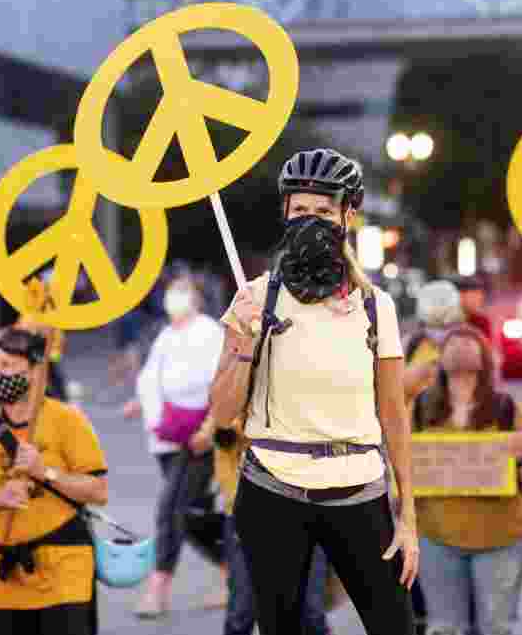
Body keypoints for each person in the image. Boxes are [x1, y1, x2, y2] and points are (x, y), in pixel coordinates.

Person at [211, 148, 419, 635]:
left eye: (324, 210)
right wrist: (242, 340)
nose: (312, 220)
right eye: (301, 210)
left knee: (396, 625)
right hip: (272, 488)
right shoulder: (255, 298)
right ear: (285, 213)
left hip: (358, 488)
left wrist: (408, 516)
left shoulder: (375, 306)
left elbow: (393, 414)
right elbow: (222, 413)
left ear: (348, 214)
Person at [0, 326, 108, 635]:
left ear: (35, 370)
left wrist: (44, 471)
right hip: (5, 576)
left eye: (7, 365)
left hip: (64, 571)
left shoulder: (68, 420)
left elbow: (98, 491)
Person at [412, 324, 522, 635]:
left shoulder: (505, 407)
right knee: (444, 628)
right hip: (436, 538)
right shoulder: (420, 408)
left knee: (494, 627)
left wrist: (517, 458)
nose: (460, 346)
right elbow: (400, 471)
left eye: (469, 342)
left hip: (500, 539)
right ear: (439, 359)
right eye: (452, 343)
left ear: (484, 359)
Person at [123, 275, 228, 617]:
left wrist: (211, 428)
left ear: (196, 299)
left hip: (198, 436)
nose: (175, 299)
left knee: (170, 507)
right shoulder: (167, 335)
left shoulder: (209, 332)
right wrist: (139, 403)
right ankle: (233, 571)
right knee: (195, 513)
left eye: (182, 293)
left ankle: (158, 587)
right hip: (166, 436)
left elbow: (223, 381)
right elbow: (153, 376)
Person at [200, 413, 333, 635]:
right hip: (246, 516)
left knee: (311, 614)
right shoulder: (238, 395)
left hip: (307, 510)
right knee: (241, 613)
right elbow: (220, 434)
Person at [401, 279, 462, 633]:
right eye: (434, 324)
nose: (441, 332)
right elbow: (389, 395)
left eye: (448, 323)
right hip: (415, 466)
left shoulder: (472, 346)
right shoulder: (409, 346)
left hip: (459, 467)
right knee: (415, 557)